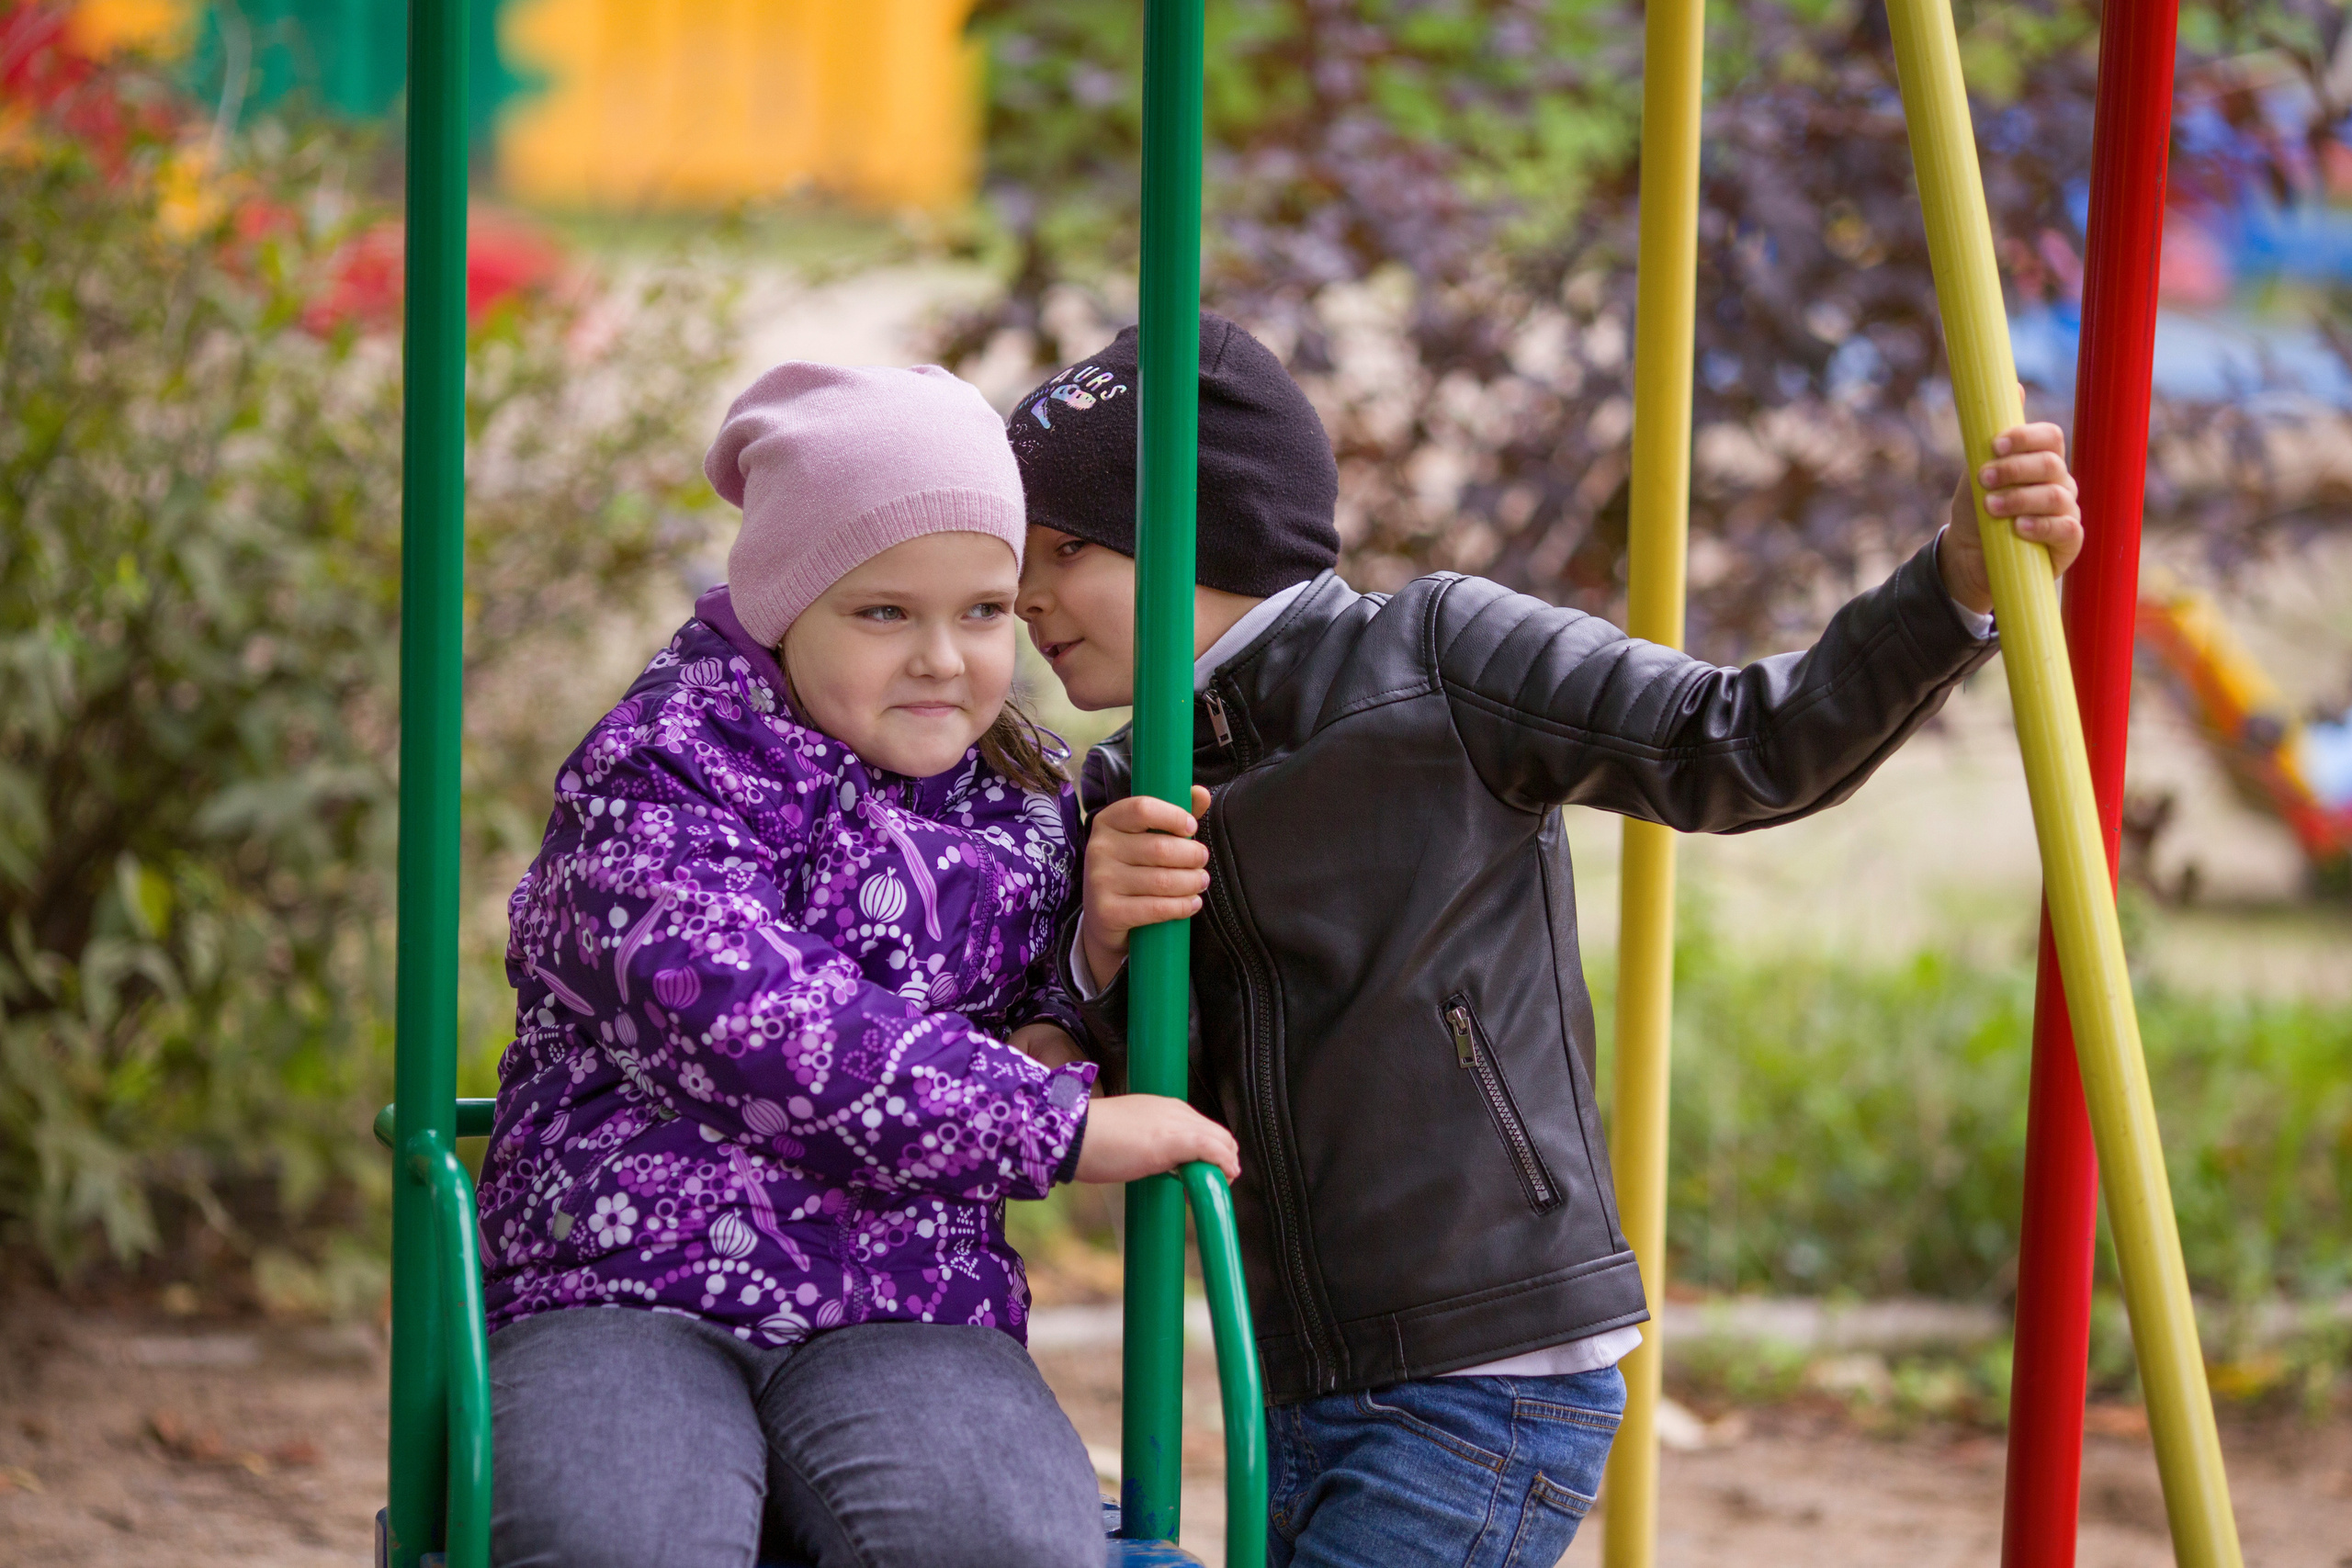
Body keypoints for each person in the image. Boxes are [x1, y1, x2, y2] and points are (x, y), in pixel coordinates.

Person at [1012, 314, 2083, 1568]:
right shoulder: (1123, 786)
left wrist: (1949, 588)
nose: (1026, 595)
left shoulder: (1438, 657)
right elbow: (1141, 1101)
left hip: (1489, 1358)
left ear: (1204, 524)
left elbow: (1735, 743)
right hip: (1295, 1370)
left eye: (1067, 548)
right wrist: (1099, 949)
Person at [474, 361, 1239, 1568]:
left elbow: (1029, 1003)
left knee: (1009, 1546)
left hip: (906, 1292)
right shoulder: (665, 765)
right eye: (886, 613)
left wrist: (1085, 955)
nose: (945, 658)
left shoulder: (1012, 795)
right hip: (625, 1280)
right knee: (617, 1538)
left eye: (984, 611)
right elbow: (736, 1004)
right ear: (783, 605)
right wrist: (1052, 1124)